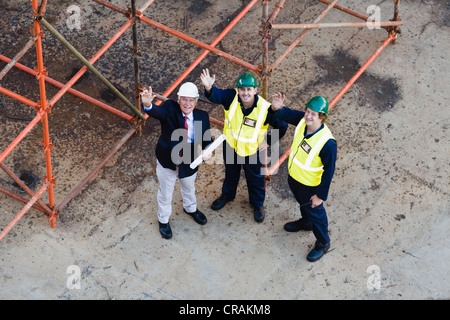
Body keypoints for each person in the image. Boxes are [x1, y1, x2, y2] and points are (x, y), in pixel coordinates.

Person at [200, 69, 287, 223]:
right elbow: (216, 95)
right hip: (231, 147)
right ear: (237, 89)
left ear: (255, 90)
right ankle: (227, 195)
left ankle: (257, 204)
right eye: (242, 89)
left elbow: (282, 126)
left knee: (255, 179)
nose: (245, 93)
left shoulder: (266, 108)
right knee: (230, 174)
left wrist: (268, 140)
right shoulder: (231, 97)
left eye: (249, 89)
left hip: (252, 151)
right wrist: (208, 88)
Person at [141, 82, 213, 239]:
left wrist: (208, 151)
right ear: (179, 99)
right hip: (168, 159)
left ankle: (190, 208)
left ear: (196, 101)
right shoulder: (170, 108)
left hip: (190, 160)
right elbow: (157, 112)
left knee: (189, 188)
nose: (187, 104)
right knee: (166, 193)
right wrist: (148, 104)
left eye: (191, 100)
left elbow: (207, 139)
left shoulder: (202, 117)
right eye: (184, 100)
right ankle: (163, 220)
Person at [271, 93, 337, 262]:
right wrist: (277, 107)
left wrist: (320, 196)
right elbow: (286, 114)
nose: (308, 115)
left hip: (310, 186)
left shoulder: (327, 143)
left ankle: (323, 242)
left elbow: (329, 172)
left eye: (313, 114)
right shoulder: (303, 120)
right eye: (307, 111)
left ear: (322, 117)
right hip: (295, 178)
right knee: (303, 206)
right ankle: (306, 223)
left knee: (317, 213)